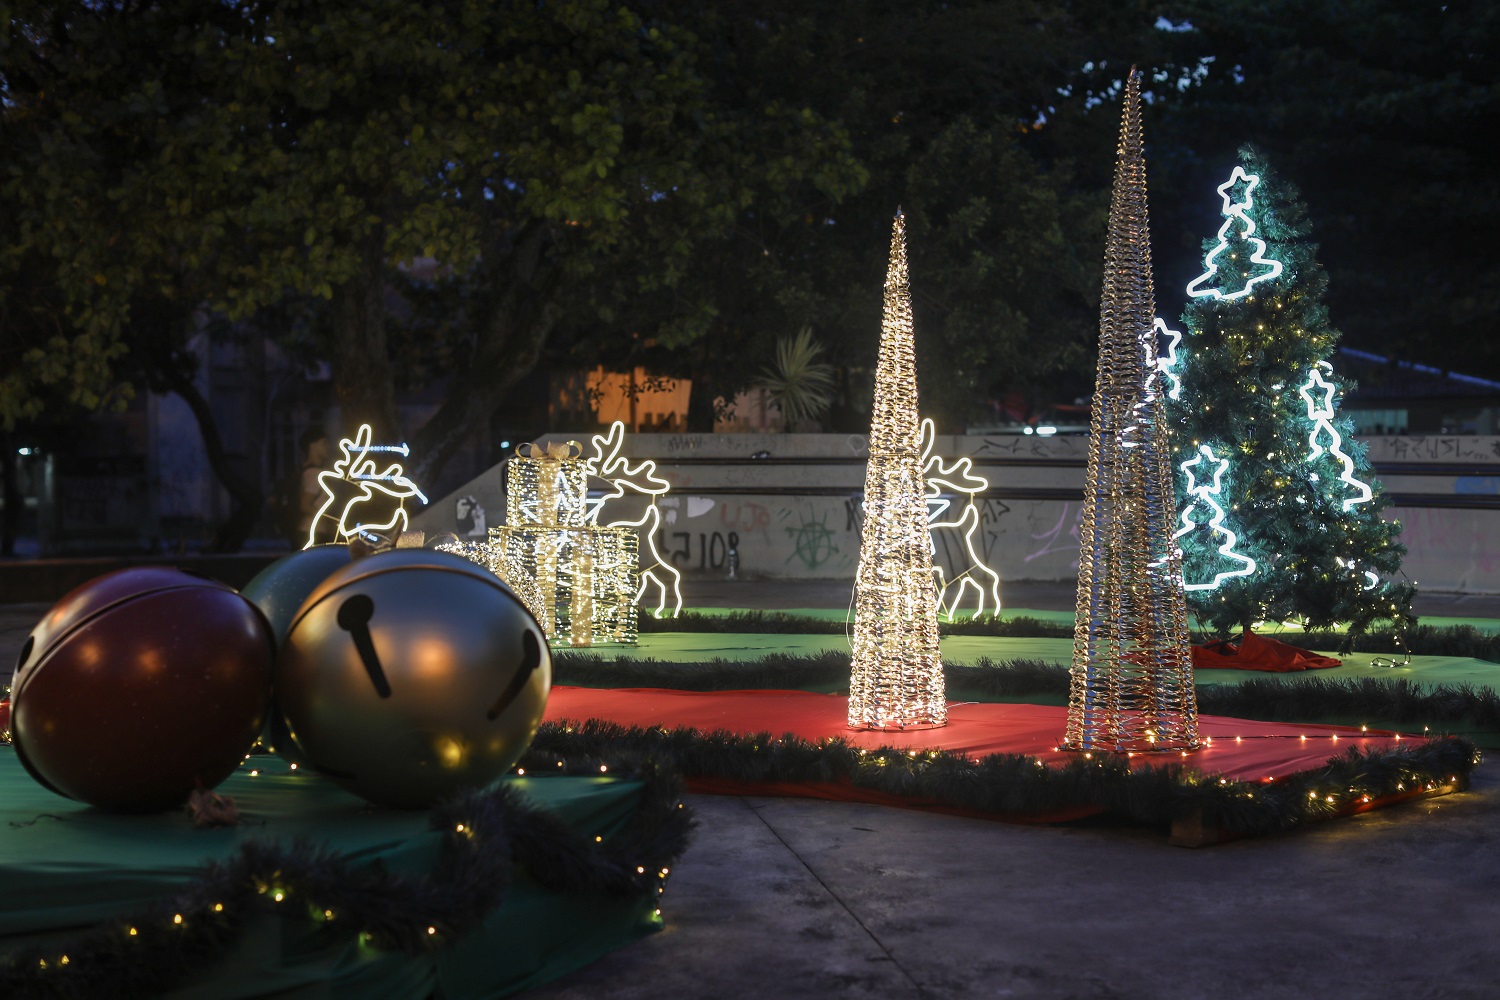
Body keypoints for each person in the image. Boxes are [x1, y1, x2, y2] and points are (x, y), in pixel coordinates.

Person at [294, 428, 331, 545]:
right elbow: (305, 505)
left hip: (309, 531)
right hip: (313, 532)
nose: (328, 447)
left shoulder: (304, 470)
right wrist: (328, 518)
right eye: (324, 443)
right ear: (313, 446)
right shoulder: (314, 473)